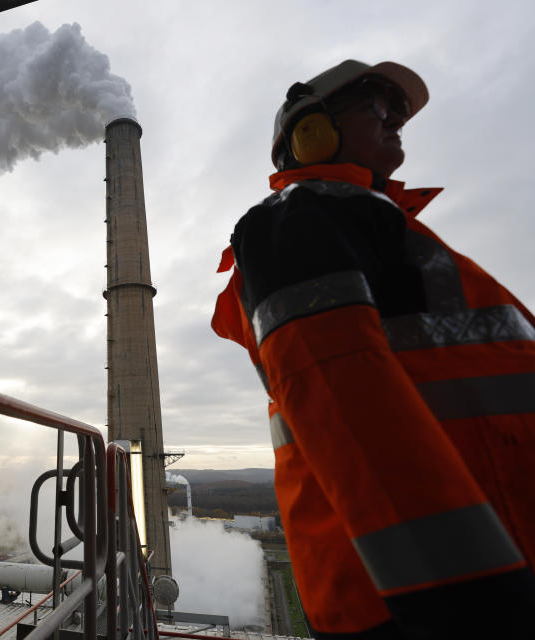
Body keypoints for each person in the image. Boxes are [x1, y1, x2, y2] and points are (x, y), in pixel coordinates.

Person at [211, 60, 535, 638]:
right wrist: (465, 603)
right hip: (425, 595)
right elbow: (347, 404)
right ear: (312, 132)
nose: (397, 123)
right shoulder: (301, 220)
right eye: (378, 109)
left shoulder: (377, 224)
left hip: (487, 554)